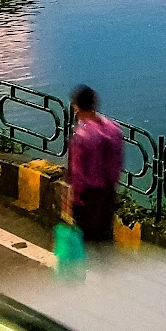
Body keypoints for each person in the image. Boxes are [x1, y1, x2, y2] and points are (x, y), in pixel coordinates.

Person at [66, 84, 124, 244]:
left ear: (76, 108)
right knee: (104, 236)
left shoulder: (82, 136)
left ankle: (90, 268)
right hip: (108, 192)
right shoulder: (114, 129)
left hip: (88, 197)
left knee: (87, 239)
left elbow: (77, 172)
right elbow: (117, 163)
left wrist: (74, 199)